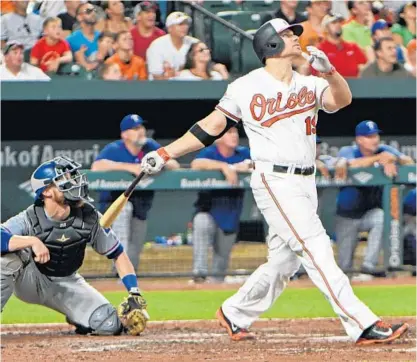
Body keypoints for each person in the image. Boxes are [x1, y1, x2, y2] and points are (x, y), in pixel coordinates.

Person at [140, 18, 409, 345]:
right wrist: (166, 153)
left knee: (283, 263)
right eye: (287, 34)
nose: (296, 37)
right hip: (274, 179)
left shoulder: (308, 83)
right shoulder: (246, 85)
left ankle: (234, 311)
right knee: (316, 246)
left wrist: (330, 72)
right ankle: (361, 322)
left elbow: (342, 101)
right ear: (269, 43)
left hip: (306, 181)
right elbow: (210, 126)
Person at [1, 156, 149, 336]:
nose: (74, 182)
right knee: (7, 258)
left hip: (67, 282)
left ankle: (78, 317)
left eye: (73, 176)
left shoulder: (90, 217)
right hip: (31, 279)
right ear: (46, 191)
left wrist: (134, 292)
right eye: (63, 179)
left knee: (110, 325)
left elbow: (118, 254)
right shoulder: (29, 218)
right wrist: (32, 241)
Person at [90, 114, 180, 272]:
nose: (141, 131)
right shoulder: (115, 148)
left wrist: (160, 163)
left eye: (141, 127)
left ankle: (128, 280)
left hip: (141, 204)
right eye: (135, 128)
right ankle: (118, 274)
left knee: (136, 246)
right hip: (114, 205)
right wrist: (129, 167)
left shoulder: (150, 146)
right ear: (124, 134)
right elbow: (97, 166)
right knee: (124, 220)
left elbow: (174, 164)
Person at [335, 120, 414, 278]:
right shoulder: (348, 150)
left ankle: (368, 267)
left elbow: (410, 163)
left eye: (376, 135)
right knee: (344, 267)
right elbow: (349, 164)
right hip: (347, 215)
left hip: (369, 213)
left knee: (380, 216)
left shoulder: (385, 150)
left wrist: (394, 159)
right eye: (369, 136)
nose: (375, 139)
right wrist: (378, 159)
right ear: (359, 139)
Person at [190, 127, 251, 283]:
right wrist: (223, 166)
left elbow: (257, 163)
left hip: (231, 214)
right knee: (201, 221)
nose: (234, 135)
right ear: (219, 138)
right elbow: (196, 163)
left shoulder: (243, 153)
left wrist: (237, 167)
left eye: (235, 132)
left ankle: (215, 287)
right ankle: (199, 275)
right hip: (208, 210)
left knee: (221, 267)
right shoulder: (211, 153)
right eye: (229, 133)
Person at [146, 11, 228, 80]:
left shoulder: (194, 43)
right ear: (170, 28)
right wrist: (171, 77)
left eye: (186, 24)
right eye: (180, 24)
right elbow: (155, 75)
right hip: (161, 88)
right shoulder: (157, 46)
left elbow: (203, 67)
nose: (184, 27)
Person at [316, 13, 367, 78]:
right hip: (333, 85)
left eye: (339, 22)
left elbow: (363, 66)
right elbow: (319, 74)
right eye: (334, 22)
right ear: (326, 28)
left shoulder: (353, 46)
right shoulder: (320, 49)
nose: (338, 25)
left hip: (355, 84)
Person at [66, 2, 101, 71]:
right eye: (88, 11)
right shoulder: (70, 40)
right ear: (79, 17)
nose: (93, 13)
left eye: (94, 11)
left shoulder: (102, 37)